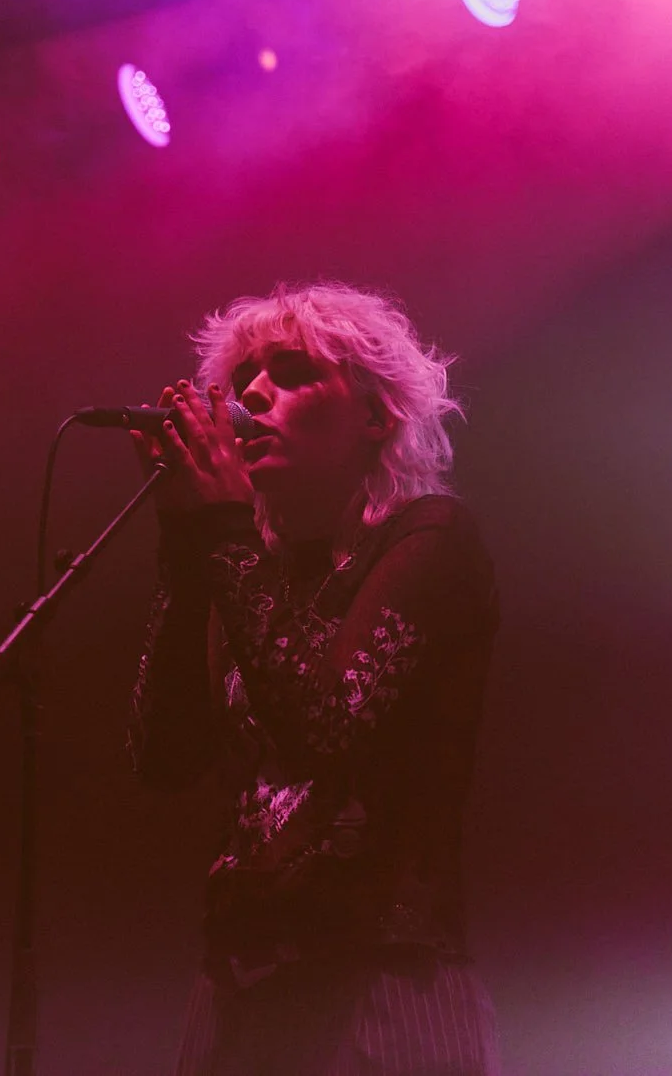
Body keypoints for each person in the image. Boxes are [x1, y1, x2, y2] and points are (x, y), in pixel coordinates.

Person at [129, 281, 501, 1076]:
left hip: (380, 984)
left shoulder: (430, 539)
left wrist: (224, 532)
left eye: (293, 372)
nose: (251, 395)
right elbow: (164, 755)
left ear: (375, 416)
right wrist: (186, 547)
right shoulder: (255, 567)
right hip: (237, 985)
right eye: (240, 382)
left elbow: (322, 729)